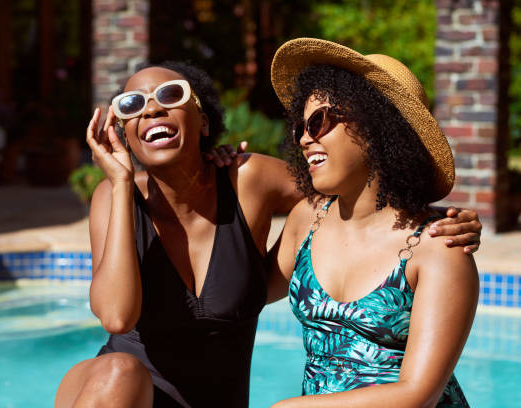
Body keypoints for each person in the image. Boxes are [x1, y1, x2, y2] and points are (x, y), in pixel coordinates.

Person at [54, 61, 482, 408]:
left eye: (170, 96)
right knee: (119, 374)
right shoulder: (116, 195)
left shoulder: (251, 180)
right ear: (122, 130)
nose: (304, 139)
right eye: (131, 105)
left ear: (202, 122)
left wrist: (436, 215)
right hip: (128, 395)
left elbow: (367, 189)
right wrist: (123, 183)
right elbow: (116, 317)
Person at [267, 38, 479, 407]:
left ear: (375, 126)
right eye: (300, 127)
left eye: (318, 122)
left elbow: (418, 396)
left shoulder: (438, 248)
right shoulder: (308, 219)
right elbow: (236, 298)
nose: (303, 139)